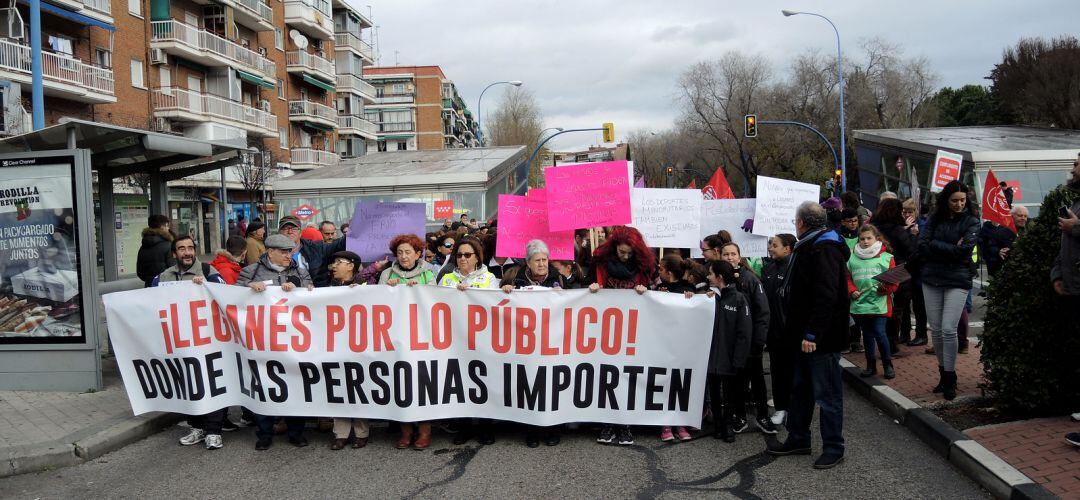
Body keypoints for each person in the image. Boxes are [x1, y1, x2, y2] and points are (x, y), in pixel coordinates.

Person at [766, 201, 849, 470]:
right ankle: (799, 437)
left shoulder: (824, 249)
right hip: (801, 334)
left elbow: (826, 295)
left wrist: (813, 333)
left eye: (795, 220)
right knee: (800, 390)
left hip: (819, 338)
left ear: (801, 223)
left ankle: (834, 447)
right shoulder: (810, 246)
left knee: (827, 394)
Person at [236, 233, 314, 450]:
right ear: (270, 252)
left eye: (290, 251)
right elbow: (232, 299)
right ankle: (264, 433)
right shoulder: (250, 272)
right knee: (263, 385)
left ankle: (296, 431)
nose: (288, 255)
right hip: (263, 340)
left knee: (295, 384)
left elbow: (313, 296)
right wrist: (249, 288)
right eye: (283, 252)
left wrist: (300, 290)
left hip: (292, 340)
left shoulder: (300, 272)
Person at [151, 235, 227, 450]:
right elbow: (150, 303)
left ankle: (214, 431)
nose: (187, 252)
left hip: (208, 340)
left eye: (190, 248)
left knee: (212, 384)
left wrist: (205, 288)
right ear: (174, 253)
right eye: (182, 249)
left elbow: (227, 297)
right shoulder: (163, 277)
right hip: (180, 342)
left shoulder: (208, 272)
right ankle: (197, 427)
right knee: (188, 385)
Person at [587, 226, 656, 446]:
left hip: (633, 332)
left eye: (629, 253)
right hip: (606, 330)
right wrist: (592, 288)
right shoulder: (600, 265)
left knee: (628, 376)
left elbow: (654, 293)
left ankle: (624, 424)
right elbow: (584, 289)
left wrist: (646, 291)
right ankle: (607, 422)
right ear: (614, 248)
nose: (626, 257)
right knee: (607, 376)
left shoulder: (643, 268)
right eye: (622, 252)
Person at [917, 180, 979, 401]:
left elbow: (963, 253)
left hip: (958, 279)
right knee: (936, 329)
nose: (959, 204)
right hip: (932, 277)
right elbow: (923, 244)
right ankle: (943, 373)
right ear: (946, 200)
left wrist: (938, 244)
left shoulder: (972, 221)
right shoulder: (934, 218)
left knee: (948, 328)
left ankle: (951, 375)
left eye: (962, 200)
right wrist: (951, 247)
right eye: (955, 200)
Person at [500, 240, 564, 448]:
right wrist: (506, 290)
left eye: (545, 259)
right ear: (528, 262)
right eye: (538, 260)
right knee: (528, 386)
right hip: (525, 344)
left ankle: (551, 428)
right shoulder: (515, 279)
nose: (542, 264)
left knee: (550, 386)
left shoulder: (558, 279)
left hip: (551, 343)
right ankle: (531, 430)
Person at [376, 234, 437, 450]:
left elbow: (436, 301)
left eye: (408, 252)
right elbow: (376, 304)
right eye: (400, 252)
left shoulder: (429, 273)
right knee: (402, 383)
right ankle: (406, 430)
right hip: (397, 337)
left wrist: (421, 291)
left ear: (418, 254)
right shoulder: (386, 274)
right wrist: (387, 290)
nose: (403, 256)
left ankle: (424, 430)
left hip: (422, 337)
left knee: (422, 383)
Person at [440, 236, 500, 447]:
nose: (463, 259)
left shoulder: (489, 278)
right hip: (456, 341)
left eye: (467, 255)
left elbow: (497, 304)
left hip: (482, 341)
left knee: (483, 383)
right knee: (461, 384)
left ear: (477, 257)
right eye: (459, 255)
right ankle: (464, 427)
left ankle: (485, 427)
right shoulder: (447, 279)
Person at [718, 242, 775, 435]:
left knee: (757, 380)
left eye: (733, 254)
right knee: (735, 382)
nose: (730, 257)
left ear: (740, 256)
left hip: (750, 343)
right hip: (729, 343)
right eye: (726, 254)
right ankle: (739, 416)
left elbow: (763, 312)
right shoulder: (718, 282)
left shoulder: (750, 279)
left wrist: (759, 341)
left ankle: (762, 416)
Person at [326, 250, 370, 450]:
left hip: (360, 345)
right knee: (338, 387)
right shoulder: (326, 288)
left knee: (359, 386)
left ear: (351, 265)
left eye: (339, 262)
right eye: (333, 263)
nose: (334, 266)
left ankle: (361, 431)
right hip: (335, 345)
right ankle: (341, 433)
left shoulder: (366, 288)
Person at [704, 260, 753, 442]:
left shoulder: (739, 299)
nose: (708, 277)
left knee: (730, 395)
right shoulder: (709, 298)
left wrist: (739, 359)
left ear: (720, 277)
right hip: (712, 359)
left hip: (730, 359)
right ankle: (718, 426)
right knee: (715, 394)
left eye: (710, 274)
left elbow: (744, 333)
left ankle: (728, 426)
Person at [847, 224, 899, 379]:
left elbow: (894, 281)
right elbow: (846, 277)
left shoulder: (886, 257)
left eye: (869, 238)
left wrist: (886, 289)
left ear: (877, 238)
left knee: (879, 333)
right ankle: (871, 366)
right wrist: (851, 290)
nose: (865, 241)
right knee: (867, 335)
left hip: (879, 303)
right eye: (862, 238)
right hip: (860, 303)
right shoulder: (851, 257)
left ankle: (887, 365)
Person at [870, 198, 914, 351]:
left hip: (875, 270)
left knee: (878, 309)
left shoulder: (872, 229)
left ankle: (879, 340)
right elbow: (910, 252)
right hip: (898, 273)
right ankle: (891, 343)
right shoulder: (899, 230)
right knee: (896, 311)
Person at [762, 233, 796, 426]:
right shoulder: (768, 268)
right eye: (770, 244)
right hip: (774, 332)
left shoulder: (797, 269)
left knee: (792, 373)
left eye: (774, 245)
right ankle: (781, 408)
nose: (770, 248)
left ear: (787, 248)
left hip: (791, 332)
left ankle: (794, 409)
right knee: (777, 371)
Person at [276, 215, 346, 288]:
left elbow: (340, 244)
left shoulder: (317, 248)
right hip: (287, 297)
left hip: (316, 296)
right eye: (285, 228)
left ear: (300, 233)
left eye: (294, 228)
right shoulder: (269, 256)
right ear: (279, 233)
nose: (290, 232)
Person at [902, 198, 928, 346]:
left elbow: (919, 248)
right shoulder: (903, 226)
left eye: (909, 211)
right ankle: (905, 333)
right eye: (904, 211)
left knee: (919, 305)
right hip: (907, 270)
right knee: (905, 305)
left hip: (918, 271)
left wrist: (914, 234)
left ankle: (921, 334)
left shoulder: (922, 226)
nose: (906, 214)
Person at [136, 214, 174, 287]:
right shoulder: (168, 245)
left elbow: (140, 272)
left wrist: (151, 280)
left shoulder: (143, 246)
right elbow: (173, 270)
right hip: (166, 287)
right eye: (167, 226)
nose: (168, 228)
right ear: (162, 227)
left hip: (149, 286)